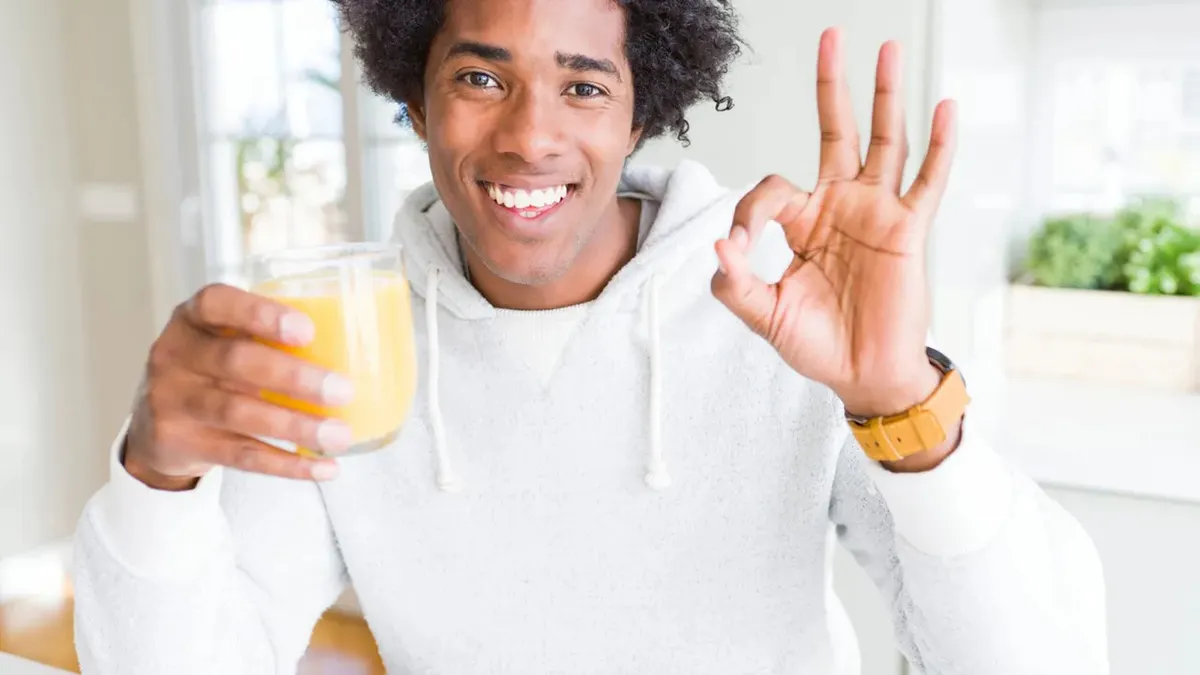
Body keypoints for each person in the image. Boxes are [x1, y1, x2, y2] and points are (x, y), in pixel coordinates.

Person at [71, 0, 1108, 673]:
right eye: (481, 78)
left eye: (583, 84)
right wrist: (159, 483)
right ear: (416, 101)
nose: (530, 134)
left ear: (639, 112)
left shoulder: (780, 315)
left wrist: (902, 406)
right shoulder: (352, 344)